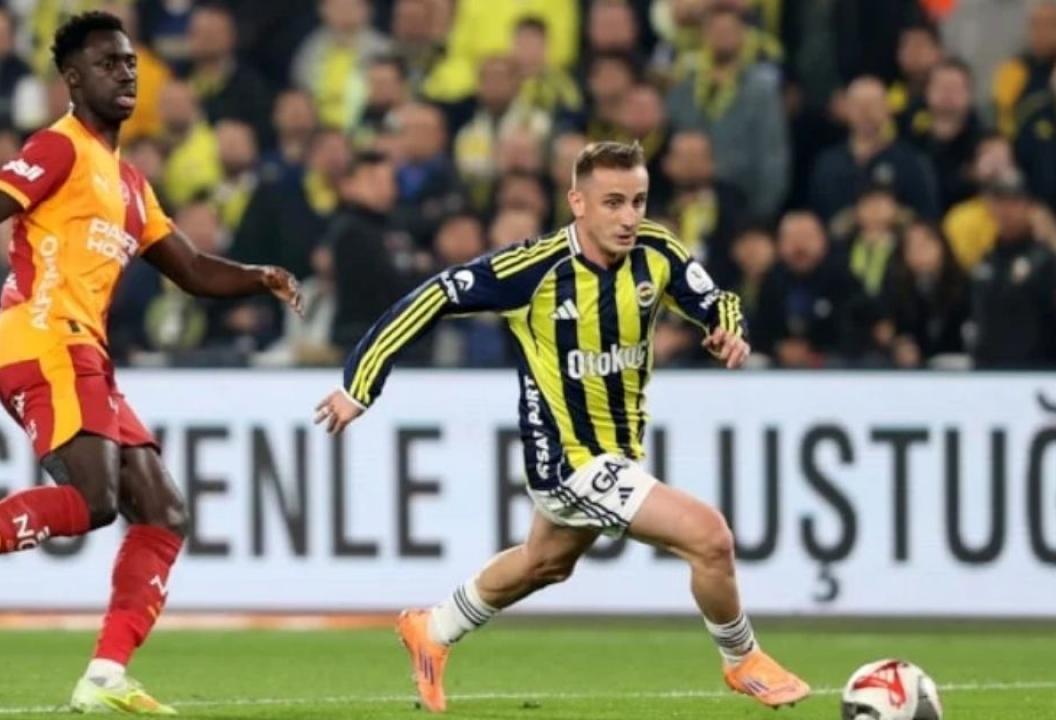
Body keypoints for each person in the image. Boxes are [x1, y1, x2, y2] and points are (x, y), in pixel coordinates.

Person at [0, 12, 302, 715]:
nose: (124, 73)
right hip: (45, 340)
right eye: (106, 63)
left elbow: (189, 268)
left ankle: (105, 675)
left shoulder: (130, 184)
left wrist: (257, 275)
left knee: (163, 512)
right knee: (94, 501)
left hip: (85, 352)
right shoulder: (59, 147)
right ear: (72, 79)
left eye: (129, 63)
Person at [313, 141, 810, 713]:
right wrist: (359, 385)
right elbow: (431, 297)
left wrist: (727, 328)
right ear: (578, 202)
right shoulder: (532, 270)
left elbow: (715, 299)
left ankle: (433, 627)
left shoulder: (658, 251)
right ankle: (743, 658)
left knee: (545, 562)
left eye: (638, 201)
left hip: (618, 451)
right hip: (567, 461)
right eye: (613, 202)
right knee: (709, 537)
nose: (629, 217)